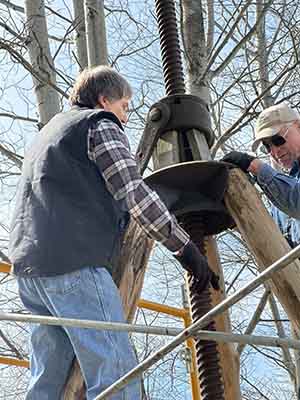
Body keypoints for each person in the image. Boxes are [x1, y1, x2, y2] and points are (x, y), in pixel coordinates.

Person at [9, 66, 219, 400]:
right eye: (124, 108)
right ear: (104, 100)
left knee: (48, 380)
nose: (124, 119)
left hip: (31, 271)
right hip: (75, 265)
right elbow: (132, 192)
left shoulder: (49, 136)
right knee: (115, 374)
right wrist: (184, 248)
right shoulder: (99, 124)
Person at [222, 102, 300, 248]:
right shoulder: (280, 204)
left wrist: (254, 166)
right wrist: (233, 217)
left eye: (278, 140)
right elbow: (271, 237)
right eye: (267, 146)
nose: (275, 151)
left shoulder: (288, 194)